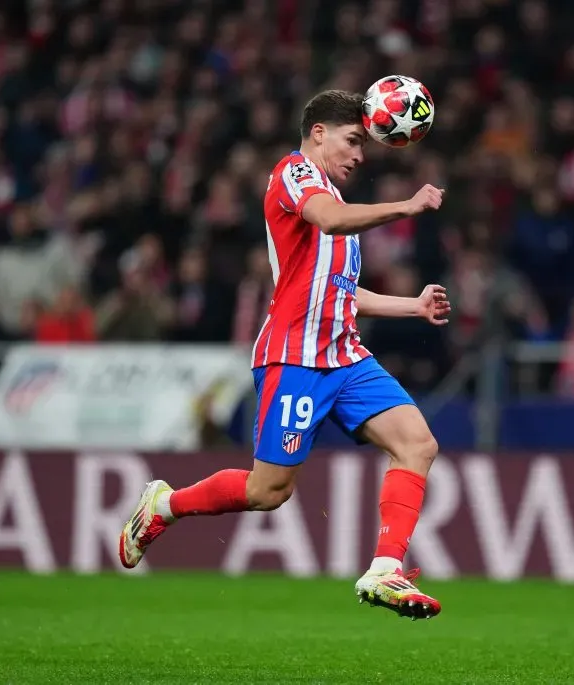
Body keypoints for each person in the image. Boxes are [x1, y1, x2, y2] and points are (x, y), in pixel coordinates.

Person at [117, 90, 450, 620]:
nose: (361, 154)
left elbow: (340, 290)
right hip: (294, 358)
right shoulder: (293, 175)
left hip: (345, 356)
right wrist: (406, 206)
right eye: (353, 140)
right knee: (267, 490)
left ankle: (385, 569)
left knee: (418, 444)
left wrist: (411, 306)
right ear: (319, 132)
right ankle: (165, 505)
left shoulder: (343, 209)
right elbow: (329, 220)